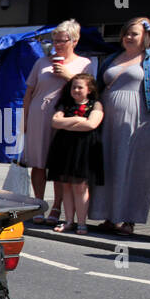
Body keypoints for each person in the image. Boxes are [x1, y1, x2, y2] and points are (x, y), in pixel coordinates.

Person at [91, 16, 150, 237]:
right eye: (126, 33)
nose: (128, 37)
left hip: (143, 120)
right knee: (111, 165)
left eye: (134, 33)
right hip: (110, 121)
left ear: (146, 35)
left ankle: (129, 220)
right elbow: (99, 87)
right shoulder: (112, 59)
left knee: (137, 169)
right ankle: (110, 216)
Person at [20, 20, 93, 224]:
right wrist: (24, 120)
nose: (58, 44)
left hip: (65, 118)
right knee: (38, 163)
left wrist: (70, 76)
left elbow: (90, 92)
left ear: (75, 41)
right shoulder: (41, 62)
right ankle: (38, 205)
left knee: (60, 164)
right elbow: (29, 93)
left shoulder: (84, 64)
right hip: (39, 115)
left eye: (62, 40)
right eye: (55, 40)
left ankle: (57, 207)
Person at [46, 73, 105, 235]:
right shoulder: (65, 104)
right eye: (74, 87)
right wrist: (78, 120)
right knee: (66, 185)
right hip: (65, 148)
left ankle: (82, 223)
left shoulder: (96, 105)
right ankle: (69, 220)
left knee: (80, 187)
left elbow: (92, 124)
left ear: (89, 89)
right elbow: (55, 122)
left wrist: (67, 123)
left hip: (84, 149)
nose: (76, 90)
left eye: (80, 87)